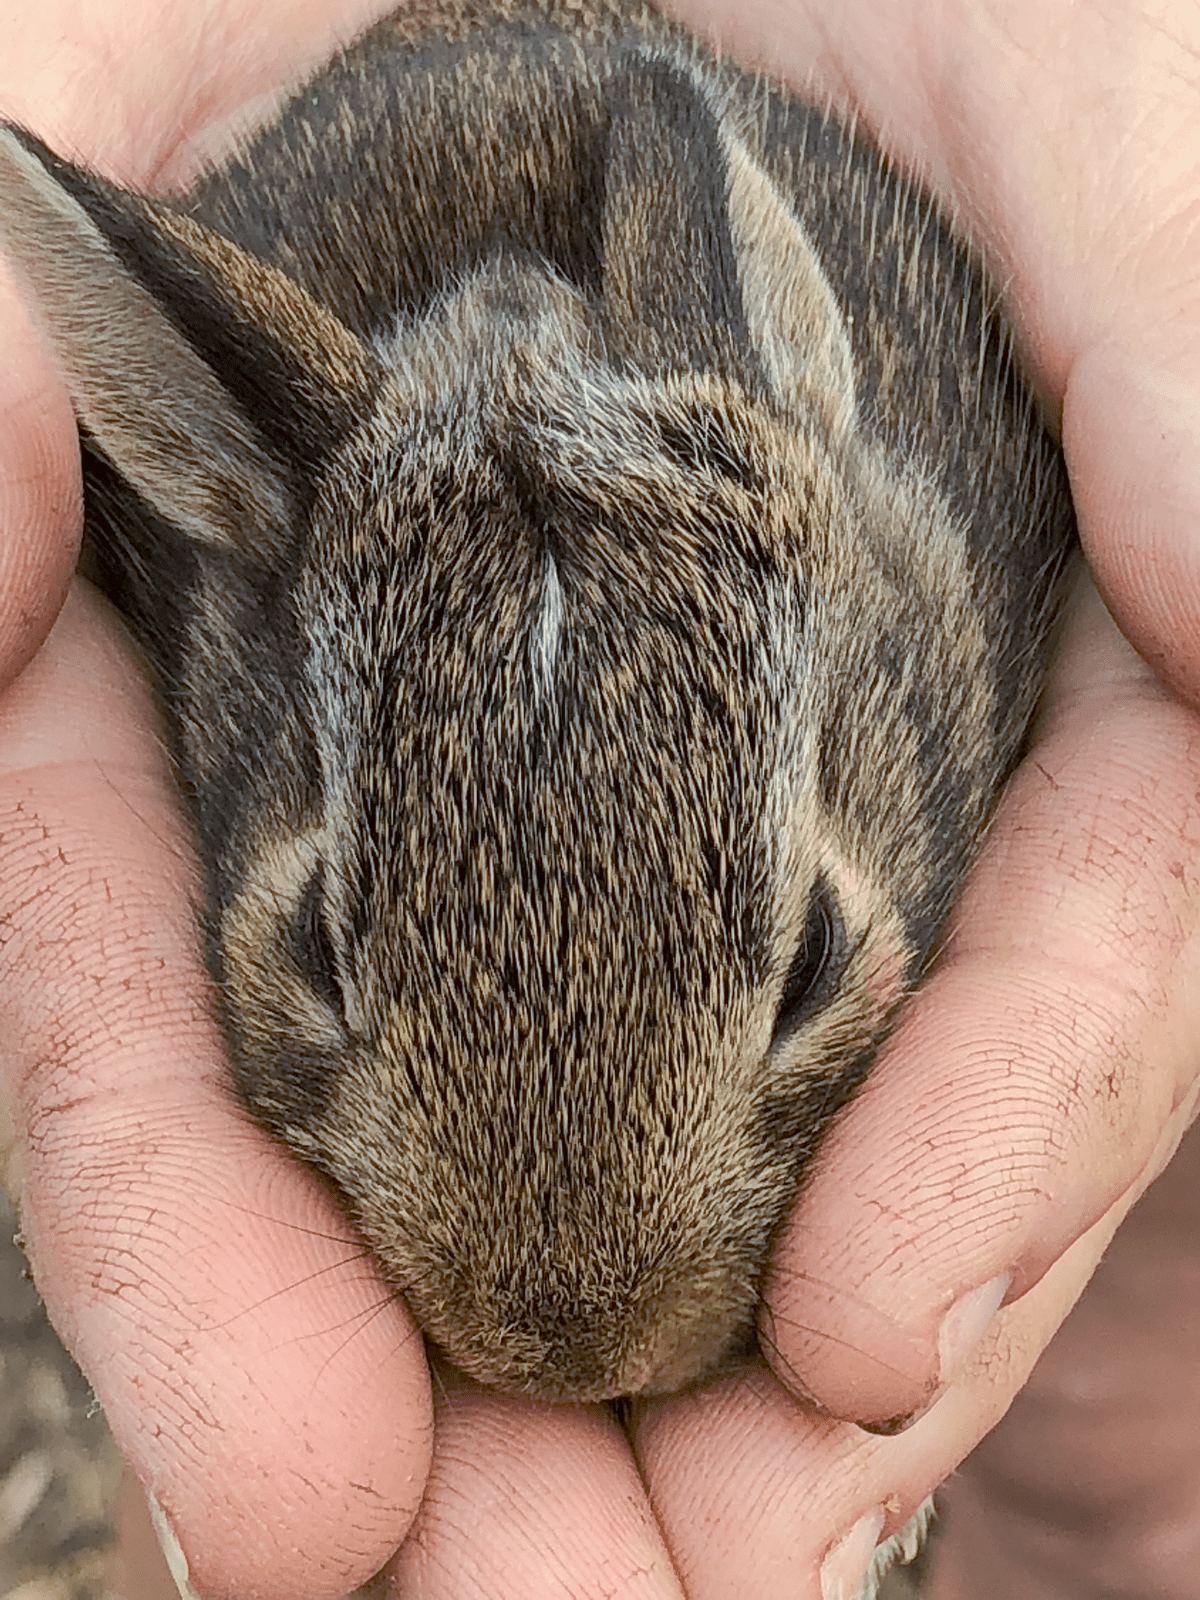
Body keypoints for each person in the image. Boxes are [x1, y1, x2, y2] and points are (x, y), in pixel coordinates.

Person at [2, 1, 1198, 1595]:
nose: (558, 1328)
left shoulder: (935, 561)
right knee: (263, 1466)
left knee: (1114, 1385)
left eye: (801, 978)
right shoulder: (239, 602)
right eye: (333, 965)